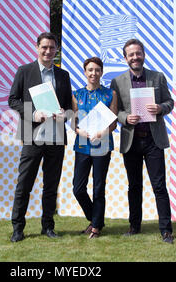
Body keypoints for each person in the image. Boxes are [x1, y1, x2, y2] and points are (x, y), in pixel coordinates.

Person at [8, 32, 72, 243]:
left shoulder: (63, 75)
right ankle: (18, 228)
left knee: (51, 185)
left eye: (52, 48)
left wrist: (66, 114)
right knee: (24, 183)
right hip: (33, 136)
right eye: (44, 47)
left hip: (56, 137)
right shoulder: (25, 71)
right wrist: (32, 113)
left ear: (56, 50)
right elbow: (13, 99)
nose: (48, 51)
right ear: (37, 48)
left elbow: (70, 108)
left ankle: (48, 226)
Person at [110, 39, 174, 244]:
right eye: (131, 54)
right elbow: (115, 111)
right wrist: (124, 118)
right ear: (125, 58)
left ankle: (166, 230)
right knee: (134, 186)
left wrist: (161, 108)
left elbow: (169, 102)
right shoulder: (117, 82)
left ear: (144, 54)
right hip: (131, 140)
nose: (135, 57)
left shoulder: (158, 77)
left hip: (154, 140)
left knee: (159, 186)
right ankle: (134, 226)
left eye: (138, 53)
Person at [72, 57, 117, 239]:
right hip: (82, 145)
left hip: (102, 145)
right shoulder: (77, 95)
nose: (93, 73)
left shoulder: (110, 94)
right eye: (90, 70)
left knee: (99, 187)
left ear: (102, 72)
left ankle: (96, 227)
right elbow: (73, 122)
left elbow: (114, 123)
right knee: (78, 188)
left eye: (97, 70)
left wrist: (102, 132)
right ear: (85, 72)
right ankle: (96, 219)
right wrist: (78, 131)